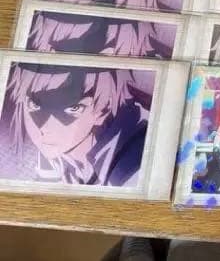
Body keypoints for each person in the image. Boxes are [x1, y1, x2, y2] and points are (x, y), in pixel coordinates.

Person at [3, 64, 151, 187]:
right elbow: (44, 188)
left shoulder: (134, 167)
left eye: (73, 109)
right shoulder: (53, 141)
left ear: (103, 110)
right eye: (34, 105)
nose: (45, 127)